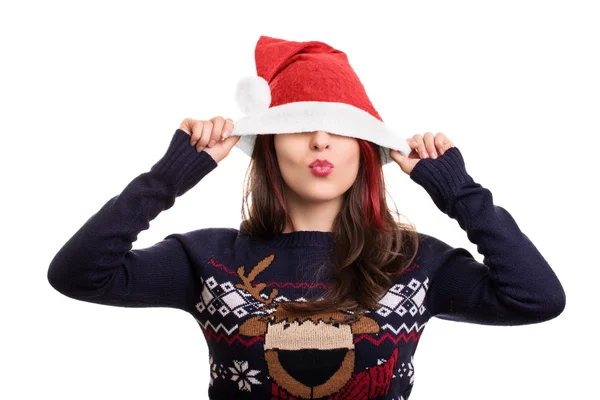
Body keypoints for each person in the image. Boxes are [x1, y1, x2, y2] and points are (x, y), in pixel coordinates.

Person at [47, 35, 566, 400]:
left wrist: (460, 194)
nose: (320, 140)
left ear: (366, 149)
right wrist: (170, 176)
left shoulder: (414, 261)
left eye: (339, 128)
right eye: (301, 125)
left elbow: (537, 299)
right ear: (269, 147)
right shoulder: (205, 259)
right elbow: (77, 274)